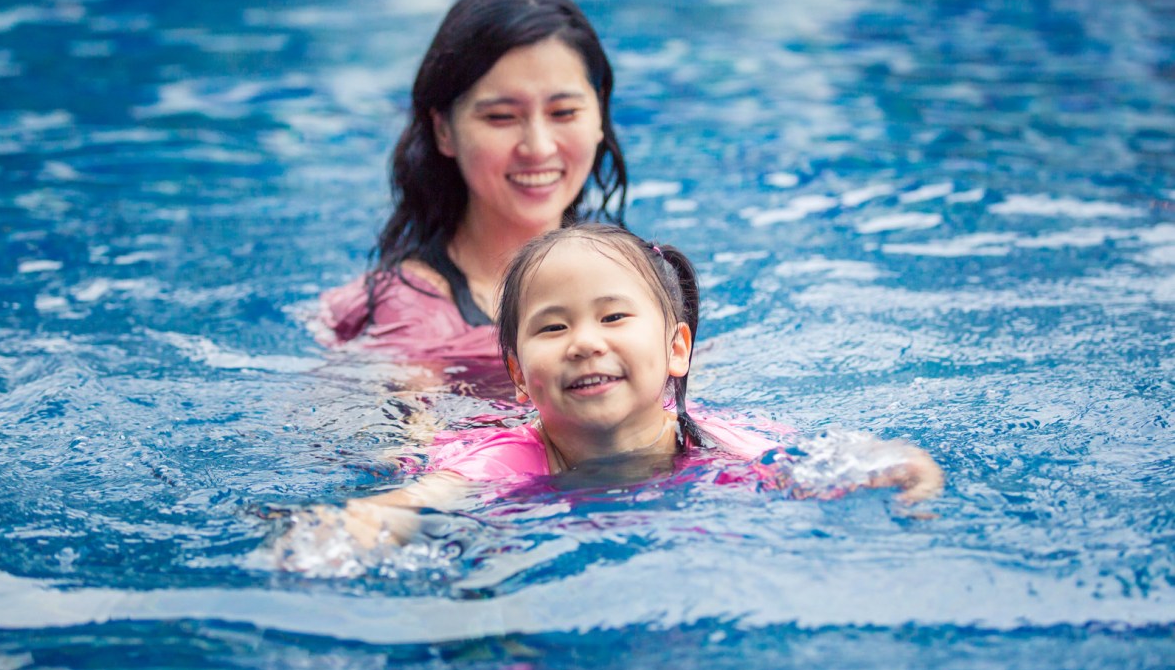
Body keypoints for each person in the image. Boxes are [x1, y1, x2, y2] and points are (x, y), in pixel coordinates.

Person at [276, 225, 943, 569]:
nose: (585, 343)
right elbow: (412, 504)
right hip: (458, 439)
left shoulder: (723, 441)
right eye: (553, 327)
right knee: (412, 439)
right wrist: (341, 532)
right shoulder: (500, 465)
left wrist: (908, 468)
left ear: (678, 349)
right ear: (518, 374)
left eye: (615, 317)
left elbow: (846, 459)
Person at [315, 0, 628, 362]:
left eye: (563, 112)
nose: (538, 148)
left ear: (599, 114)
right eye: (501, 117)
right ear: (443, 130)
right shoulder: (413, 318)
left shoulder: (636, 279)